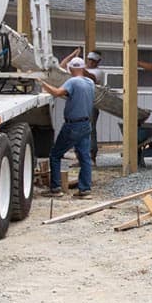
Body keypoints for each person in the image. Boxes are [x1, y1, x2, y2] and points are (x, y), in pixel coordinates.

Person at [41, 58, 95, 198]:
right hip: (86, 124)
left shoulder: (72, 81)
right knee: (85, 157)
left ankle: (56, 189)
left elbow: (58, 93)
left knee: (55, 155)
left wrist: (42, 83)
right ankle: (85, 190)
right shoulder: (90, 83)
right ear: (83, 68)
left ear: (71, 69)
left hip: (73, 125)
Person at [60, 48, 107, 162]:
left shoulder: (98, 72)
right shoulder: (80, 68)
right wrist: (73, 55)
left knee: (90, 129)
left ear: (98, 62)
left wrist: (77, 65)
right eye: (89, 59)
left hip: (91, 105)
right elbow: (62, 65)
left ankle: (91, 157)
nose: (91, 62)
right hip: (77, 104)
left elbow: (92, 77)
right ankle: (79, 157)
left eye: (93, 61)